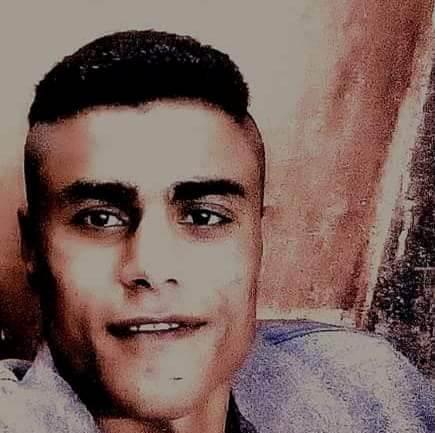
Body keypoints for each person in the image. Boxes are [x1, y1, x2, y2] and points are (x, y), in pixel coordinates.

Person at [0, 29, 433, 433]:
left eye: (203, 217)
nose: (152, 267)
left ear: (258, 241)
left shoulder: (369, 389)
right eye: (99, 218)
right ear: (32, 248)